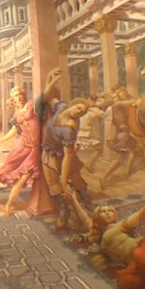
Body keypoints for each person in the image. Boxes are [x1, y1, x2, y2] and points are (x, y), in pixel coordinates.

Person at [65, 181, 145, 289]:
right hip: (132, 261)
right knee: (124, 282)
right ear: (96, 218)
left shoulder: (120, 226)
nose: (107, 213)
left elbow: (140, 216)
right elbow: (85, 219)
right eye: (103, 212)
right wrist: (74, 200)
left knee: (142, 257)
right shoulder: (98, 234)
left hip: (142, 248)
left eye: (110, 211)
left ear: (115, 215)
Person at [0, 68, 63, 216]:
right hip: (21, 144)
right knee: (8, 166)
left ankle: (8, 204)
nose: (19, 97)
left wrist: (53, 82)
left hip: (33, 149)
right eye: (16, 95)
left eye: (20, 94)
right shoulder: (16, 113)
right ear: (13, 99)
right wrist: (2, 139)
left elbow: (44, 95)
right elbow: (14, 129)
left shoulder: (31, 105)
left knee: (23, 179)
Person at [41, 96, 92, 229]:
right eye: (78, 108)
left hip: (65, 156)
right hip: (49, 152)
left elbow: (68, 155)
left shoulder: (70, 128)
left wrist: (63, 180)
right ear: (72, 104)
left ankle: (86, 199)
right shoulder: (61, 106)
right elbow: (50, 97)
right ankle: (64, 211)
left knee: (75, 178)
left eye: (82, 112)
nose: (79, 112)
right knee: (52, 183)